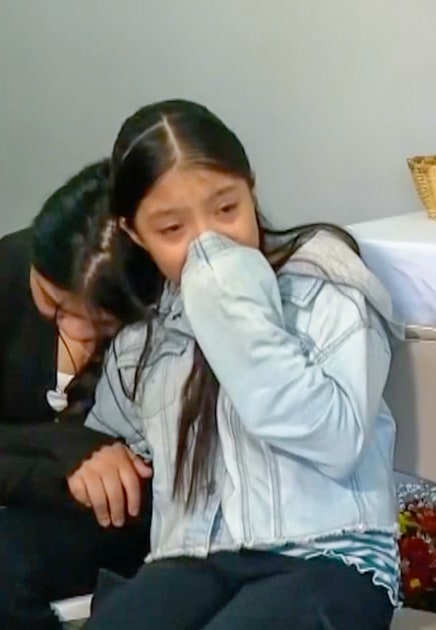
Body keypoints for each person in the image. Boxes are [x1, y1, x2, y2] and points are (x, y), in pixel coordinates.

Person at [73, 99, 399, 629]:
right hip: (192, 559)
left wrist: (231, 306)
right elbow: (111, 440)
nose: (209, 243)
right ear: (134, 234)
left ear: (251, 189)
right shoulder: (146, 333)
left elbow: (337, 441)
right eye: (172, 229)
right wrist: (96, 455)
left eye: (226, 210)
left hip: (329, 556)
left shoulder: (322, 278)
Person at [0, 160, 153, 630]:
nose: (79, 333)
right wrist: (67, 452)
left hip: (127, 514)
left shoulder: (163, 314)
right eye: (53, 304)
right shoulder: (6, 273)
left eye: (101, 321)